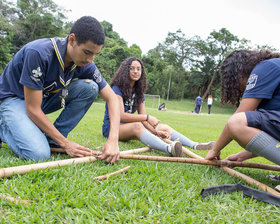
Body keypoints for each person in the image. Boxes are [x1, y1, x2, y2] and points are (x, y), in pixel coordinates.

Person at [0, 16, 120, 163]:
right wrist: (66, 144)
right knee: (38, 155)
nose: (90, 60)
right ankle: (3, 128)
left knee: (90, 87)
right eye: (87, 52)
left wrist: (113, 140)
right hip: (14, 100)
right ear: (72, 40)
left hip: (39, 100)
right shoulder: (38, 53)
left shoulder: (84, 63)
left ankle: (52, 141)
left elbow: (112, 97)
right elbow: (32, 109)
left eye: (95, 54)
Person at [102, 57, 215, 156]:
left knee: (164, 127)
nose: (136, 71)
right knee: (137, 126)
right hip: (113, 128)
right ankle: (169, 149)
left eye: (138, 69)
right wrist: (147, 117)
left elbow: (144, 121)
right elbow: (121, 116)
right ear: (125, 71)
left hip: (129, 126)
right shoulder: (117, 89)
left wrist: (155, 132)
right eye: (132, 68)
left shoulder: (139, 92)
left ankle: (195, 145)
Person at [205, 50, 280, 178]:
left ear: (239, 74)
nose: (239, 89)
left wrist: (214, 149)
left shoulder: (264, 67)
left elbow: (238, 118)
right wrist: (242, 155)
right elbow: (271, 137)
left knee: (237, 122)